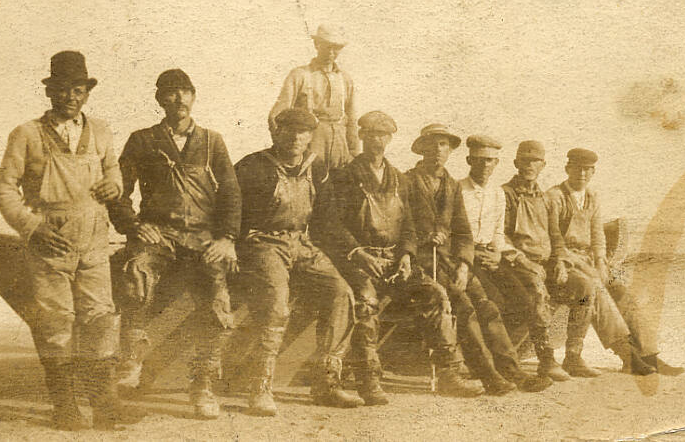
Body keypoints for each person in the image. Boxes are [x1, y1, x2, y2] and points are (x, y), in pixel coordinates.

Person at [0, 51, 123, 431]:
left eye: (78, 89)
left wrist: (113, 184)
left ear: (86, 92)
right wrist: (32, 228)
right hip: (50, 241)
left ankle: (103, 405)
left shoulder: (100, 130)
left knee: (100, 318)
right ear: (50, 91)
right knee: (56, 322)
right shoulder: (27, 134)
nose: (71, 96)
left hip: (95, 237)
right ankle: (64, 406)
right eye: (63, 89)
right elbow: (4, 189)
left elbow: (113, 169)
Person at [315, 111, 477, 404]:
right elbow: (330, 225)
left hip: (394, 260)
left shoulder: (399, 179)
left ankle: (449, 374)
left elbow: (409, 226)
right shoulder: (343, 177)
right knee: (365, 303)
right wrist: (358, 252)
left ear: (391, 139)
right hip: (359, 260)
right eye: (372, 135)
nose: (378, 141)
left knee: (435, 294)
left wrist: (406, 256)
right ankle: (368, 380)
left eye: (384, 135)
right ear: (362, 137)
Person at [107, 69, 241, 420]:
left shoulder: (213, 141)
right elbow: (118, 189)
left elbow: (230, 192)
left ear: (194, 97)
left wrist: (226, 238)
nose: (179, 99)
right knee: (135, 272)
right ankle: (131, 361)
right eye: (170, 93)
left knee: (217, 303)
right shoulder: (142, 139)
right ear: (159, 100)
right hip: (159, 234)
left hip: (202, 238)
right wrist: (133, 227)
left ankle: (203, 386)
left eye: (185, 92)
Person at [233, 108, 364, 416]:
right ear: (276, 133)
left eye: (303, 132)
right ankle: (260, 388)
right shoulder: (253, 166)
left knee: (340, 292)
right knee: (277, 304)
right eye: (289, 131)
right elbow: (229, 208)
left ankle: (327, 384)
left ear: (310, 137)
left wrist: (355, 251)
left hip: (300, 243)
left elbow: (327, 220)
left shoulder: (315, 168)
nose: (295, 138)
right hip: (263, 242)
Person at [424, 133, 549, 392]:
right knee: (487, 303)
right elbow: (456, 233)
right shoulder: (456, 188)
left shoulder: (497, 194)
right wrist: (468, 259)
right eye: (480, 161)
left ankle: (511, 367)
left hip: (489, 255)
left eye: (491, 161)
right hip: (463, 258)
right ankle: (496, 370)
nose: (485, 166)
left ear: (497, 163)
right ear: (470, 160)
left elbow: (498, 235)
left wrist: (500, 254)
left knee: (523, 299)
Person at [547, 148, 683, 376]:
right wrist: (587, 267)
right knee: (596, 290)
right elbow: (553, 239)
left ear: (592, 172)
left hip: (588, 259)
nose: (581, 174)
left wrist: (600, 260)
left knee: (621, 291)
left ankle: (649, 354)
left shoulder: (592, 196)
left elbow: (597, 234)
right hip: (563, 260)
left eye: (587, 170)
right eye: (577, 168)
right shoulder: (554, 197)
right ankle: (627, 355)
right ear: (567, 169)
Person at [500, 141, 571, 381]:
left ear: (543, 165)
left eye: (535, 161)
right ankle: (546, 358)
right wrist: (523, 260)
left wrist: (560, 260)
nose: (529, 166)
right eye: (525, 160)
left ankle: (574, 356)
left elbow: (556, 234)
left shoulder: (545, 197)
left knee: (583, 288)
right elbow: (502, 235)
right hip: (517, 263)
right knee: (538, 291)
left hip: (545, 262)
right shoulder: (506, 194)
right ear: (516, 163)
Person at [268, 24, 358, 170]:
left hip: (340, 149)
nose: (331, 52)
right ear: (317, 44)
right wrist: (285, 149)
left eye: (336, 47)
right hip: (310, 146)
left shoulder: (345, 79)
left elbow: (352, 120)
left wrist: (353, 153)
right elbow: (275, 116)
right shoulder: (300, 75)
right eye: (327, 46)